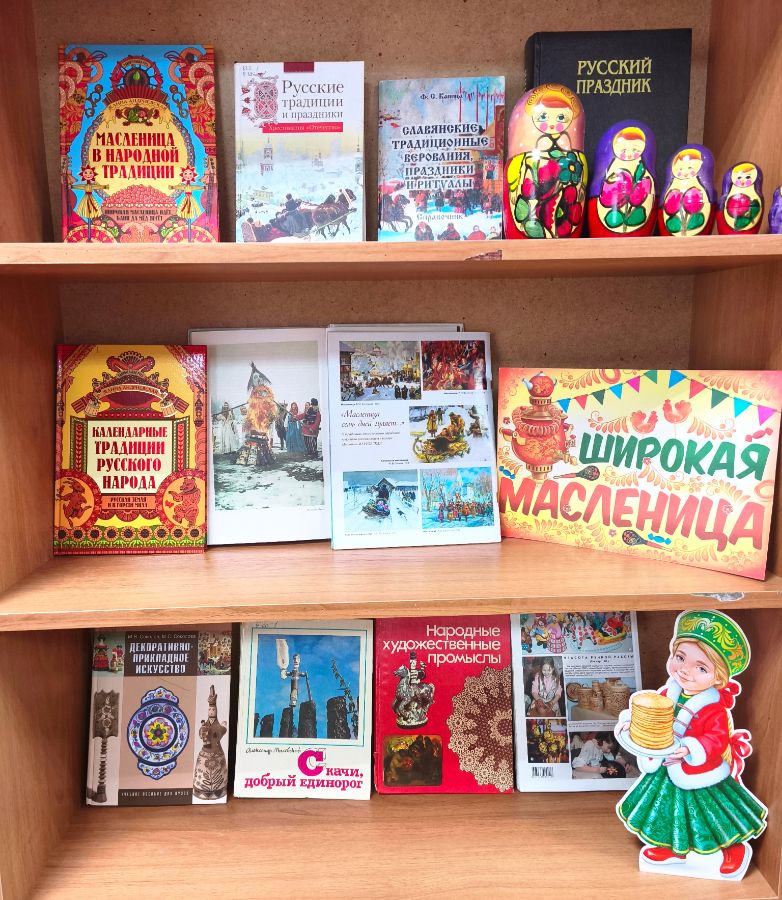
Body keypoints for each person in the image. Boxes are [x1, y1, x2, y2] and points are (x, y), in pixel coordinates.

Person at [616, 611, 767, 875]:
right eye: (680, 657)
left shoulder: (713, 708)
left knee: (710, 813)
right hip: (666, 767)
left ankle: (733, 847)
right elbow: (653, 718)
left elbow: (717, 738)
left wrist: (690, 749)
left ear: (718, 678)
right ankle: (673, 846)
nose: (685, 670)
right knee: (668, 810)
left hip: (699, 773)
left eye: (701, 668)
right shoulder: (668, 693)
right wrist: (634, 723)